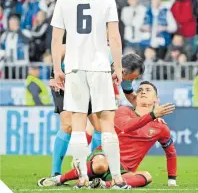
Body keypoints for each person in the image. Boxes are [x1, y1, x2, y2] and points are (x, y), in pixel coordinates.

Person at [51, 0, 129, 189]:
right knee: (106, 122)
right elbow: (114, 37)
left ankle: (82, 178)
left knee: (77, 123)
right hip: (99, 67)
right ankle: (117, 179)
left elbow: (56, 40)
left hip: (73, 67)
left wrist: (58, 69)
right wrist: (118, 67)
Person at [38, 81, 176, 188]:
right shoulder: (124, 111)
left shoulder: (161, 127)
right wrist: (152, 115)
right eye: (139, 90)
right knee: (101, 165)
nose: (142, 92)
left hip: (123, 170)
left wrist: (172, 180)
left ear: (156, 99)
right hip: (104, 155)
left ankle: (104, 185)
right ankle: (58, 179)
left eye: (147, 90)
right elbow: (127, 127)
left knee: (147, 176)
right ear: (135, 98)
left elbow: (171, 153)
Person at [49, 49, 145, 178]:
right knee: (68, 126)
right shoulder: (102, 53)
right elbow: (62, 49)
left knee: (100, 126)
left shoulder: (124, 73)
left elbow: (131, 96)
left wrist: (150, 114)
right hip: (64, 80)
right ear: (123, 70)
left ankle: (93, 168)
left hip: (89, 87)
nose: (130, 81)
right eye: (132, 78)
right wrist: (54, 73)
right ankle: (55, 173)